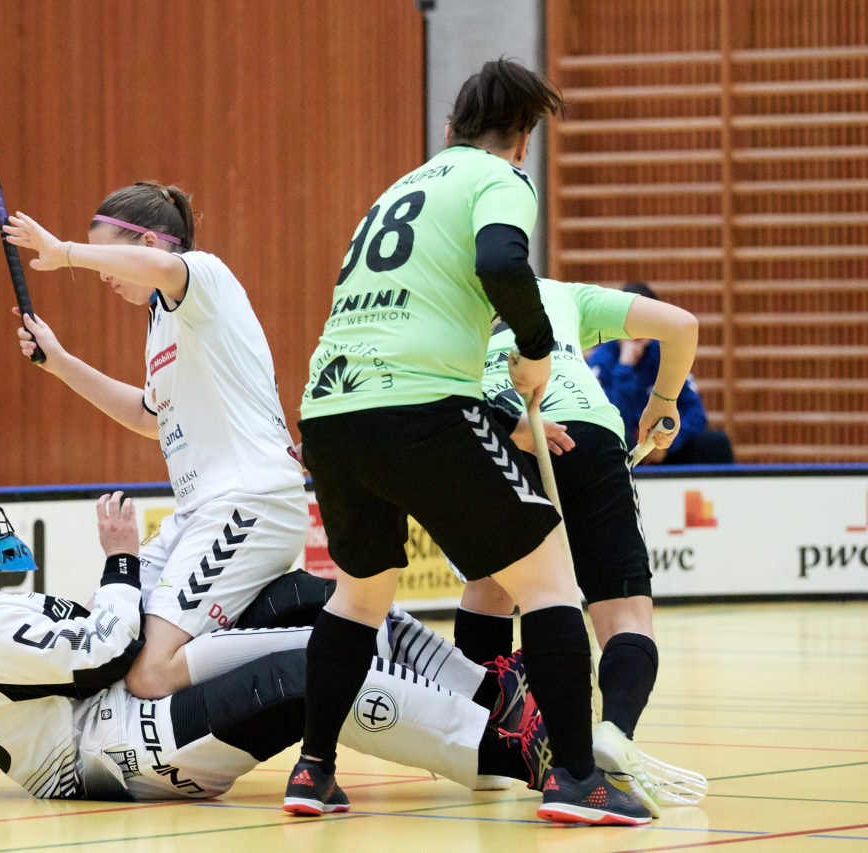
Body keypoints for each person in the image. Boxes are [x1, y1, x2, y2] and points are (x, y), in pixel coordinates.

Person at [285, 58, 651, 825]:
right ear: (523, 140)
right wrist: (537, 346)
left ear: (449, 128)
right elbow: (500, 260)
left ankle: (313, 769)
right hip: (418, 405)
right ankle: (577, 779)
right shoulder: (501, 178)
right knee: (548, 579)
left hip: (328, 409)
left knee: (360, 593)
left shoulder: (400, 189)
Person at [0, 477, 552, 803]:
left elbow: (103, 636)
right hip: (107, 758)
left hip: (117, 714)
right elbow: (108, 646)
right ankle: (513, 754)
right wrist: (121, 558)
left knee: (304, 595)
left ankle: (489, 690)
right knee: (307, 674)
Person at [0, 182, 308, 700]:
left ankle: (338, 636)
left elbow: (166, 269)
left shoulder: (204, 274)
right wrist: (59, 363)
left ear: (147, 245)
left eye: (107, 256)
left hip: (249, 501)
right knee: (103, 636)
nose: (103, 273)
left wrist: (63, 252)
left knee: (151, 673)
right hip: (197, 513)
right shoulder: (162, 320)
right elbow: (150, 417)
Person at [455, 276, 700, 816]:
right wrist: (662, 402)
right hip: (584, 431)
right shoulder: (563, 294)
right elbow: (682, 325)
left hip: (496, 435)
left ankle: (488, 753)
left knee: (490, 590)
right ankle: (613, 733)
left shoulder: (451, 295)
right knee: (624, 611)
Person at [587, 282, 734, 465]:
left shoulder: (667, 353)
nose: (638, 328)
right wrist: (624, 368)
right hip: (625, 446)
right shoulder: (600, 361)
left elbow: (696, 413)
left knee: (716, 443)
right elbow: (612, 421)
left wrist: (666, 443)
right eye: (632, 321)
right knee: (621, 441)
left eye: (645, 320)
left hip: (667, 447)